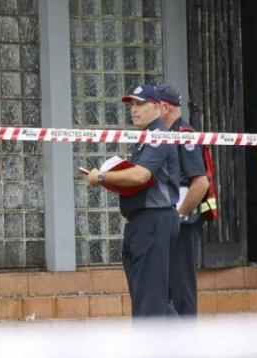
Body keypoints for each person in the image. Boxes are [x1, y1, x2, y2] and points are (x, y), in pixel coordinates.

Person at [85, 84, 180, 317]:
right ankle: (187, 349)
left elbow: (140, 175)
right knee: (149, 297)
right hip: (143, 224)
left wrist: (102, 176)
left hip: (153, 222)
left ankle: (151, 352)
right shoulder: (145, 138)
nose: (133, 110)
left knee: (149, 302)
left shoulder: (158, 137)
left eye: (140, 104)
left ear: (157, 107)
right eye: (131, 105)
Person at [156, 84, 210, 316]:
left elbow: (201, 183)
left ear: (165, 107)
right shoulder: (165, 135)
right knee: (165, 286)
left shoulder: (184, 135)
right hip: (165, 221)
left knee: (181, 286)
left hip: (180, 223)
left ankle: (187, 343)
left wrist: (179, 216)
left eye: (149, 106)